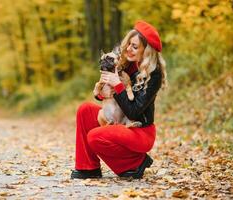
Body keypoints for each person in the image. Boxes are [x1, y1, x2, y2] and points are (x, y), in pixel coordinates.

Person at [71, 20, 167, 179]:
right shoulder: (126, 63)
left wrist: (118, 86)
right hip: (120, 121)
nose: (129, 49)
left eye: (135, 47)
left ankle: (136, 163)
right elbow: (111, 97)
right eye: (129, 44)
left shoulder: (154, 74)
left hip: (139, 129)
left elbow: (134, 111)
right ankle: (88, 167)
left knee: (95, 136)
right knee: (85, 110)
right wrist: (101, 93)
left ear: (147, 50)